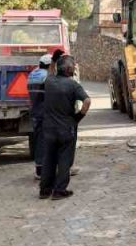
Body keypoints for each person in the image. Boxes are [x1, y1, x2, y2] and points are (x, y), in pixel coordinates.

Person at [40, 54, 90, 200]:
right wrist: (78, 117)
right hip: (66, 128)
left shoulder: (48, 81)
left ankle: (44, 190)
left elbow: (50, 71)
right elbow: (87, 101)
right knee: (64, 159)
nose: (75, 67)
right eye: (73, 65)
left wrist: (54, 61)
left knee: (48, 158)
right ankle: (59, 190)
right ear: (69, 69)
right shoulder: (73, 85)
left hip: (48, 128)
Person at [26, 54, 52, 180]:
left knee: (38, 140)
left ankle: (39, 168)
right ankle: (42, 171)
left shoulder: (32, 74)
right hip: (44, 113)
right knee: (44, 141)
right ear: (49, 65)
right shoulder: (46, 76)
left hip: (35, 112)